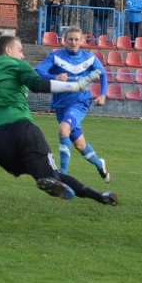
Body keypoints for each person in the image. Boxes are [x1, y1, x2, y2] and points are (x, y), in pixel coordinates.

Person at [0, 35, 117, 205]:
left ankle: (99, 196)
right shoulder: (17, 64)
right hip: (20, 130)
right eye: (20, 51)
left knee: (48, 173)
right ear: (8, 51)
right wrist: (75, 86)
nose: (23, 56)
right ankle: (52, 180)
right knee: (50, 175)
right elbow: (37, 84)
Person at [35, 26, 111, 182]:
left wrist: (103, 94)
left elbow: (103, 74)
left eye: (77, 39)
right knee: (80, 145)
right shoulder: (56, 57)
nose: (74, 42)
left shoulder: (89, 58)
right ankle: (100, 164)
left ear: (81, 40)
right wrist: (54, 76)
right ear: (64, 40)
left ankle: (62, 175)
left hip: (80, 102)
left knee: (63, 129)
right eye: (70, 39)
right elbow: (38, 71)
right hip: (61, 104)